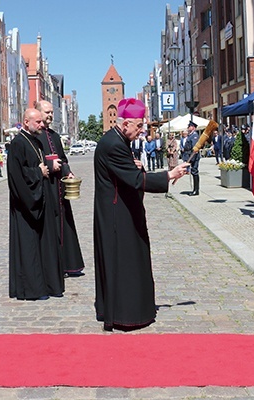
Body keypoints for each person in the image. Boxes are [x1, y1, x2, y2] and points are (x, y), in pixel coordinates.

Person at [93, 98, 189, 331]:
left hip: (119, 209)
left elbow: (125, 172)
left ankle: (120, 308)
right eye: (138, 126)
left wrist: (133, 165)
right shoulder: (114, 144)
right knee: (126, 262)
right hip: (118, 215)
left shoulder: (117, 140)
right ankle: (128, 314)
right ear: (124, 123)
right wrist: (168, 174)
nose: (141, 131)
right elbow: (136, 180)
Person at [7, 108, 64, 300]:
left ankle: (48, 285)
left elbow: (40, 166)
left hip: (41, 198)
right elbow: (17, 176)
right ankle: (33, 289)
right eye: (37, 122)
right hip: (26, 204)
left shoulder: (36, 141)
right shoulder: (17, 144)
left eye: (41, 121)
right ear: (26, 122)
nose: (41, 125)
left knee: (45, 244)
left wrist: (44, 169)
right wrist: (38, 172)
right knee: (30, 247)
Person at [35, 100, 86, 278]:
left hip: (59, 186)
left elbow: (63, 159)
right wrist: (50, 163)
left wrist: (68, 172)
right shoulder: (33, 136)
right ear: (38, 112)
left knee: (64, 224)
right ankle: (52, 264)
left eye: (51, 112)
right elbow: (32, 162)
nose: (50, 115)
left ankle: (66, 263)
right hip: (45, 187)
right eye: (46, 112)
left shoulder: (55, 136)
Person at [183, 120, 200, 196]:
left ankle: (196, 190)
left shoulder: (195, 135)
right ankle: (195, 189)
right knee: (193, 172)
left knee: (194, 172)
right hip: (190, 156)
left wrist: (191, 159)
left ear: (193, 127)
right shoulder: (190, 135)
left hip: (194, 156)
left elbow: (194, 148)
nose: (188, 127)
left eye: (189, 126)